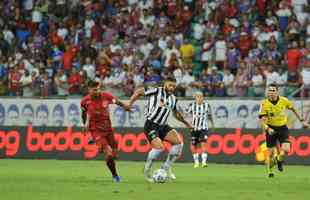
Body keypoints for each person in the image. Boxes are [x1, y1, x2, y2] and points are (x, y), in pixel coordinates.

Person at [128, 77, 192, 182]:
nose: (171, 88)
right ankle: (146, 170)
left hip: (163, 125)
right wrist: (129, 104)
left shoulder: (174, 99)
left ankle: (165, 168)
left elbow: (176, 114)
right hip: (151, 124)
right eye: (170, 85)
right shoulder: (156, 90)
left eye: (173, 86)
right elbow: (139, 91)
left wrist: (187, 124)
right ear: (165, 84)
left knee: (178, 143)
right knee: (159, 148)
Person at [80, 80, 131, 183]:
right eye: (94, 90)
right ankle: (115, 176)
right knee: (109, 154)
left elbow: (116, 101)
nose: (97, 91)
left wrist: (125, 106)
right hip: (95, 130)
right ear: (89, 90)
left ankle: (103, 148)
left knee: (115, 153)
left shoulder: (106, 96)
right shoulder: (85, 101)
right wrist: (85, 124)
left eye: (98, 89)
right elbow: (84, 113)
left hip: (108, 129)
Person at [258, 84, 309, 178]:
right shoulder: (264, 104)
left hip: (282, 128)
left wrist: (302, 121)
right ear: (267, 92)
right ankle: (270, 171)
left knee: (286, 149)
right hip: (271, 129)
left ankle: (279, 159)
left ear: (277, 92)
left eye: (273, 90)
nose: (271, 92)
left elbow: (293, 109)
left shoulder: (284, 100)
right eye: (270, 90)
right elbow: (261, 121)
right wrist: (267, 129)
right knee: (270, 154)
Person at [186, 91, 214, 168]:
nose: (199, 98)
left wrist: (212, 124)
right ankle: (196, 162)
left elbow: (209, 115)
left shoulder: (207, 105)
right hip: (194, 128)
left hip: (203, 128)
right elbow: (186, 115)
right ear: (195, 98)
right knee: (193, 145)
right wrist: (188, 124)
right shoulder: (191, 105)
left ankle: (204, 162)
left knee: (203, 144)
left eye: (201, 96)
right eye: (198, 97)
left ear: (203, 97)